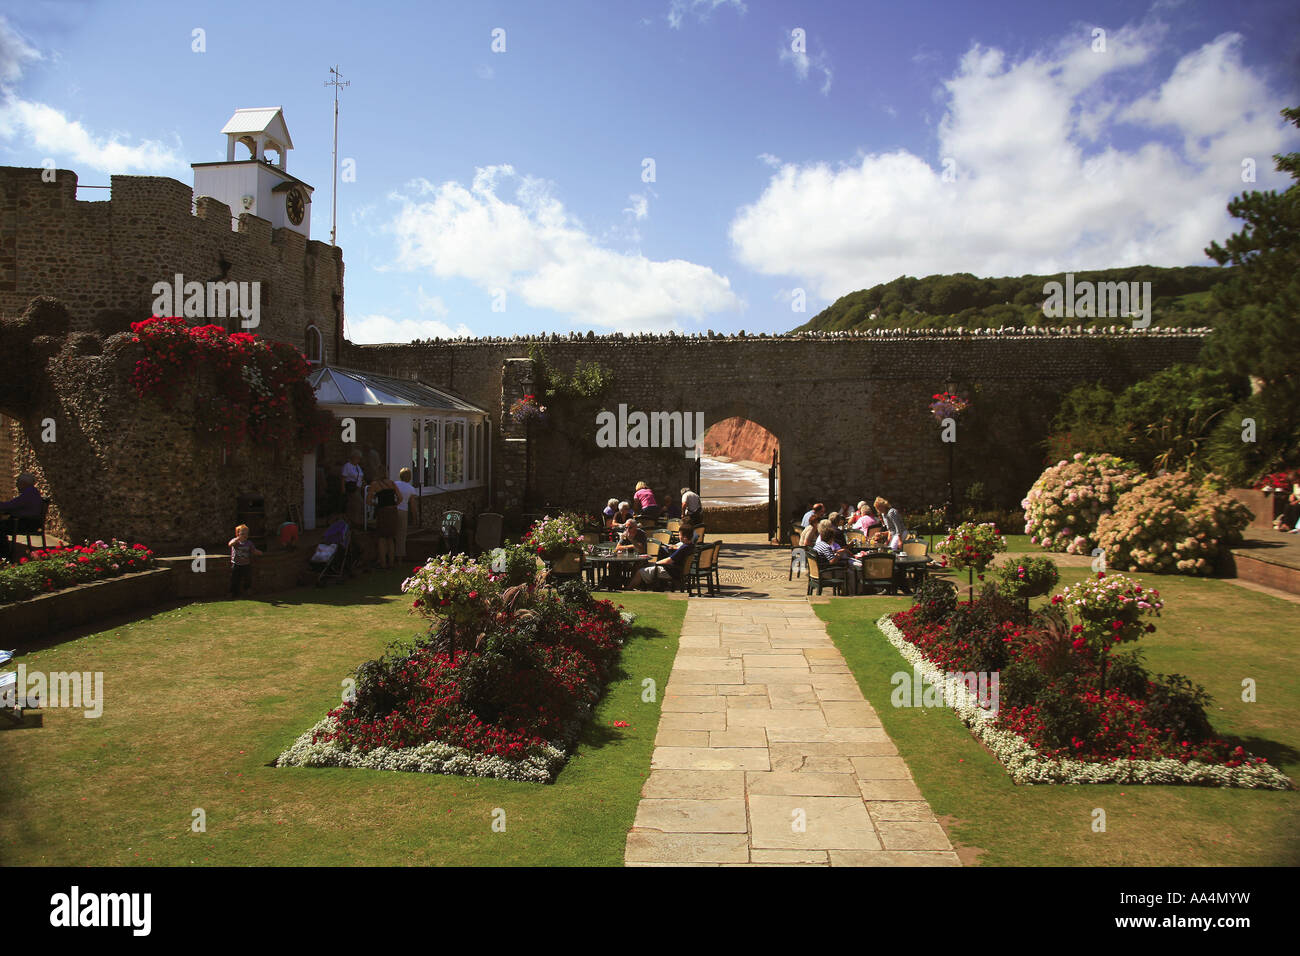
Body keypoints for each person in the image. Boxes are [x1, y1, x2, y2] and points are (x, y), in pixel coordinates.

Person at [637, 521, 695, 590]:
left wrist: (655, 563)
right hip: (677, 571)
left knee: (640, 571)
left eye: (680, 535)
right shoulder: (691, 546)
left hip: (671, 572)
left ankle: (629, 588)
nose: (679, 537)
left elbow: (669, 560)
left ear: (684, 537)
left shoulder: (683, 548)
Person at [1, 472, 43, 561]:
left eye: (18, 483)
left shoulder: (28, 494)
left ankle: (5, 554)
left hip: (26, 524)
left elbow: (11, 505)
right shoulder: (32, 492)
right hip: (29, 522)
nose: (16, 485)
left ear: (24, 483)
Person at [367, 473, 403, 569]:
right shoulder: (392, 483)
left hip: (382, 511)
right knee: (390, 538)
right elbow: (400, 498)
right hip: (392, 511)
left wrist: (375, 504)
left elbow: (368, 500)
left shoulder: (375, 484)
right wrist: (395, 504)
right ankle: (391, 563)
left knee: (381, 538)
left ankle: (383, 563)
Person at [812, 518, 858, 594]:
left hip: (819, 570)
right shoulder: (826, 547)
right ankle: (852, 591)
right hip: (826, 573)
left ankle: (847, 590)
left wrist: (836, 552)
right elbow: (832, 561)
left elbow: (827, 554)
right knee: (851, 571)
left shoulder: (820, 545)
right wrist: (839, 555)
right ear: (831, 538)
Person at [228, 523, 263, 598]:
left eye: (246, 534)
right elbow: (230, 544)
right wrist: (237, 539)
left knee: (248, 578)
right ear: (238, 534)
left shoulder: (249, 543)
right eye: (243, 533)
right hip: (236, 564)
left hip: (246, 564)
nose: (245, 535)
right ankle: (233, 592)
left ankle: (247, 590)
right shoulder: (235, 541)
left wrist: (259, 552)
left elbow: (253, 550)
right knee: (234, 579)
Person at [394, 467, 419, 560]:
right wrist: (415, 517)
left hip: (392, 509)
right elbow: (412, 505)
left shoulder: (395, 484)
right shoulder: (411, 489)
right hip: (403, 510)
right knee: (401, 535)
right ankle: (399, 558)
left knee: (391, 533)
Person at [343, 451, 365, 527]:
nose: (358, 460)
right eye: (357, 458)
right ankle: (355, 521)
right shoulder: (347, 466)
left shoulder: (357, 467)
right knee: (358, 504)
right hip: (351, 488)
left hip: (358, 488)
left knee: (355, 505)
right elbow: (343, 478)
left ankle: (354, 521)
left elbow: (360, 477)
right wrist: (342, 490)